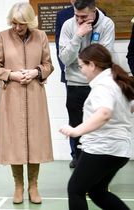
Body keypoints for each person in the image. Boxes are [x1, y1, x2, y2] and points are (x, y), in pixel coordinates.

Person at [0, 2, 54, 205]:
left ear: (29, 22)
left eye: (22, 24)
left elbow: (48, 64)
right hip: (11, 96)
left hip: (35, 95)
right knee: (14, 143)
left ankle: (33, 185)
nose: (18, 28)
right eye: (15, 23)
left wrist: (36, 72)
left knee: (35, 141)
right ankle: (18, 185)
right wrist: (12, 75)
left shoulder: (41, 36)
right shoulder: (1, 36)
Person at [59, 43, 134, 210]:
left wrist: (75, 130)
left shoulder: (103, 86)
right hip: (118, 150)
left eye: (81, 66)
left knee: (75, 190)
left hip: (103, 149)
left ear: (92, 65)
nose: (81, 71)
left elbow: (104, 113)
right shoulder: (115, 81)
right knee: (96, 191)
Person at [59, 0, 115, 166]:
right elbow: (65, 59)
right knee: (77, 129)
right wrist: (78, 36)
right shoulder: (69, 26)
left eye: (84, 16)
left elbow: (104, 59)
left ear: (94, 11)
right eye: (77, 15)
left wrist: (80, 59)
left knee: (100, 129)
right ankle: (80, 167)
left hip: (99, 85)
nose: (79, 20)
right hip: (75, 84)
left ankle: (98, 170)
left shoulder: (107, 24)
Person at [55, 0, 77, 168]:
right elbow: (59, 48)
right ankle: (75, 155)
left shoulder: (101, 15)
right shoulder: (63, 16)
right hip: (71, 75)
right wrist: (66, 70)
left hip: (94, 76)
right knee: (74, 117)